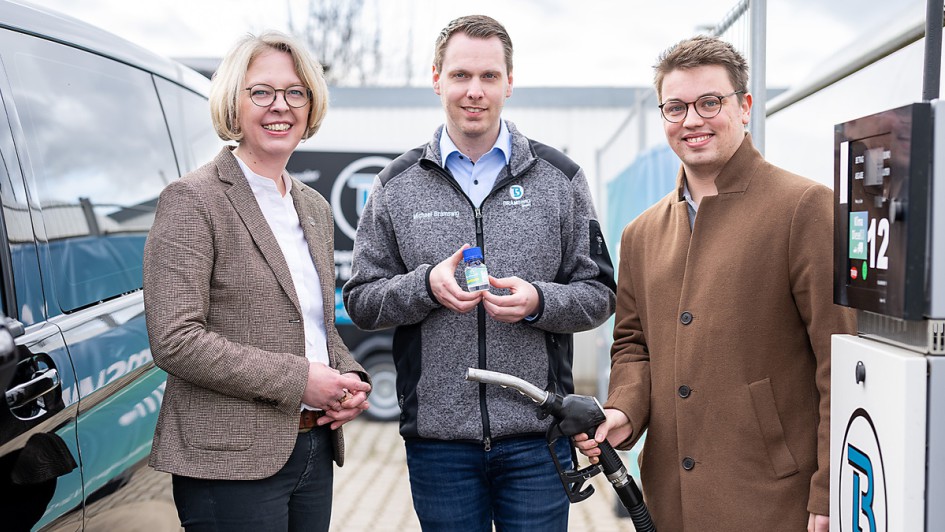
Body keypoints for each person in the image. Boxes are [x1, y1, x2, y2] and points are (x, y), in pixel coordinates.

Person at [342, 14, 616, 532]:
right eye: (461, 75)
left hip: (538, 438)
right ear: (436, 79)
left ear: (510, 83)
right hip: (439, 445)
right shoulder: (396, 185)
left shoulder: (560, 179)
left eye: (489, 76)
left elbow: (599, 293)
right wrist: (425, 287)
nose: (474, 91)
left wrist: (539, 302)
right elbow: (360, 299)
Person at [574, 35, 857, 532]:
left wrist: (829, 491)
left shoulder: (803, 208)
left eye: (710, 102)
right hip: (670, 496)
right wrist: (623, 411)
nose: (692, 120)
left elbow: (840, 358)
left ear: (745, 107)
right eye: (676, 107)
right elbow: (634, 346)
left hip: (773, 497)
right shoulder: (640, 233)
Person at [143, 31, 371, 532]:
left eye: (296, 92)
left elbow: (312, 324)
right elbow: (175, 340)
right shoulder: (192, 200)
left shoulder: (312, 206)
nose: (280, 106)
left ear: (311, 104)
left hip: (312, 448)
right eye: (261, 92)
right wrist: (301, 379)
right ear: (233, 102)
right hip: (228, 462)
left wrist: (349, 375)